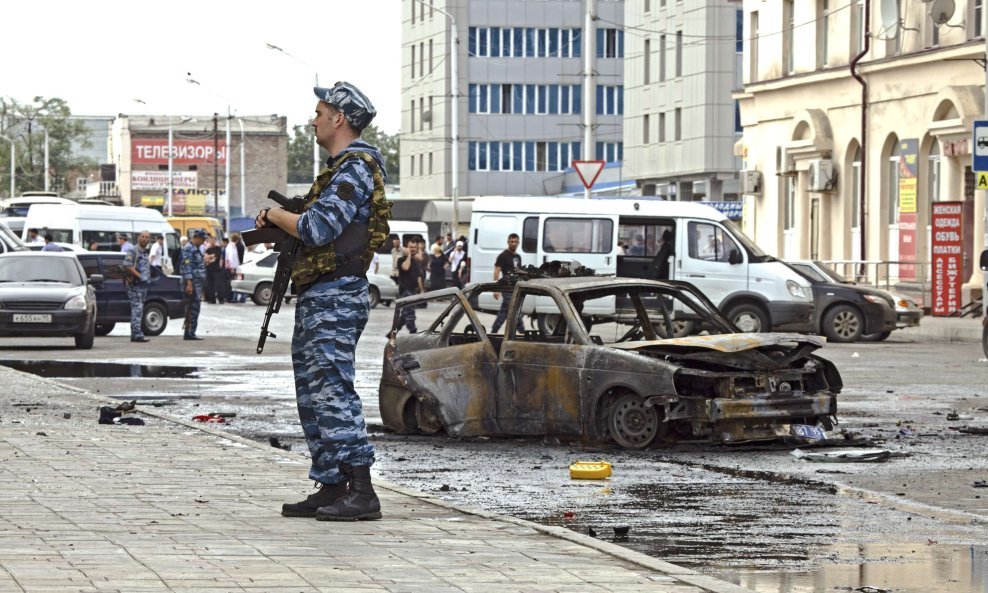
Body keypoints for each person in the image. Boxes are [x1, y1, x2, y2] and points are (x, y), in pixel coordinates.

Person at [258, 81, 387, 522]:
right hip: (320, 295)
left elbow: (318, 228)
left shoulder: (355, 168)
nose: (312, 120)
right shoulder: (336, 169)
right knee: (313, 394)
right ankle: (332, 483)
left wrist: (277, 216)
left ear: (339, 118)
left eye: (319, 112)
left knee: (333, 390)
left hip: (337, 295)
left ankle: (362, 489)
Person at [180, 229, 213, 340]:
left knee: (194, 308)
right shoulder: (189, 248)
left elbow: (195, 265)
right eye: (202, 239)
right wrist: (189, 284)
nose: (204, 241)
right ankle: (189, 333)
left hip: (197, 283)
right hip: (192, 283)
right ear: (196, 237)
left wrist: (205, 263)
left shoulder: (196, 249)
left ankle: (190, 332)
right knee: (191, 308)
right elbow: (186, 266)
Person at [491, 233, 525, 334]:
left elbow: (519, 272)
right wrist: (495, 289)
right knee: (515, 310)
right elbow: (497, 271)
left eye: (515, 241)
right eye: (511, 241)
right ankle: (522, 332)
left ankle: (493, 331)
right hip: (506, 288)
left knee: (504, 311)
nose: (513, 244)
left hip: (516, 288)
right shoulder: (503, 256)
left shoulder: (518, 257)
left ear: (518, 243)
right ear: (508, 242)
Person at [122, 230, 152, 343]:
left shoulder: (145, 252)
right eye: (142, 236)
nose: (144, 239)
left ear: (149, 240)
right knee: (137, 310)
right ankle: (137, 335)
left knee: (139, 310)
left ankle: (135, 334)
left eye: (146, 237)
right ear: (139, 237)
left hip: (143, 287)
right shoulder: (133, 250)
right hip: (135, 286)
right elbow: (127, 265)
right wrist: (139, 276)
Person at [396, 240, 424, 331]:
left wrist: (421, 290)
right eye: (411, 247)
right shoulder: (401, 259)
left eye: (414, 247)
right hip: (405, 291)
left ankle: (393, 331)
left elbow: (418, 277)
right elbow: (405, 267)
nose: (413, 249)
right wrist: (408, 256)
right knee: (410, 314)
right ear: (406, 248)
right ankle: (413, 332)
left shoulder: (415, 261)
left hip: (413, 290)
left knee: (405, 314)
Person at [203, 236, 226, 304]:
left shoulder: (218, 248)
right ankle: (212, 299)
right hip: (209, 270)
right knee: (210, 285)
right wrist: (209, 258)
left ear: (215, 241)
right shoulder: (208, 249)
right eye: (211, 240)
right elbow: (205, 259)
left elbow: (215, 257)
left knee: (219, 285)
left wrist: (209, 257)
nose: (212, 242)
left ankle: (221, 299)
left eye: (213, 240)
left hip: (216, 270)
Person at [226, 233, 244, 302]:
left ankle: (235, 298)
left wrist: (233, 267)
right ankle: (235, 298)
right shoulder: (238, 245)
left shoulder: (237, 246)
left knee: (235, 282)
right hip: (237, 266)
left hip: (236, 266)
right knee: (235, 281)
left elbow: (233, 258)